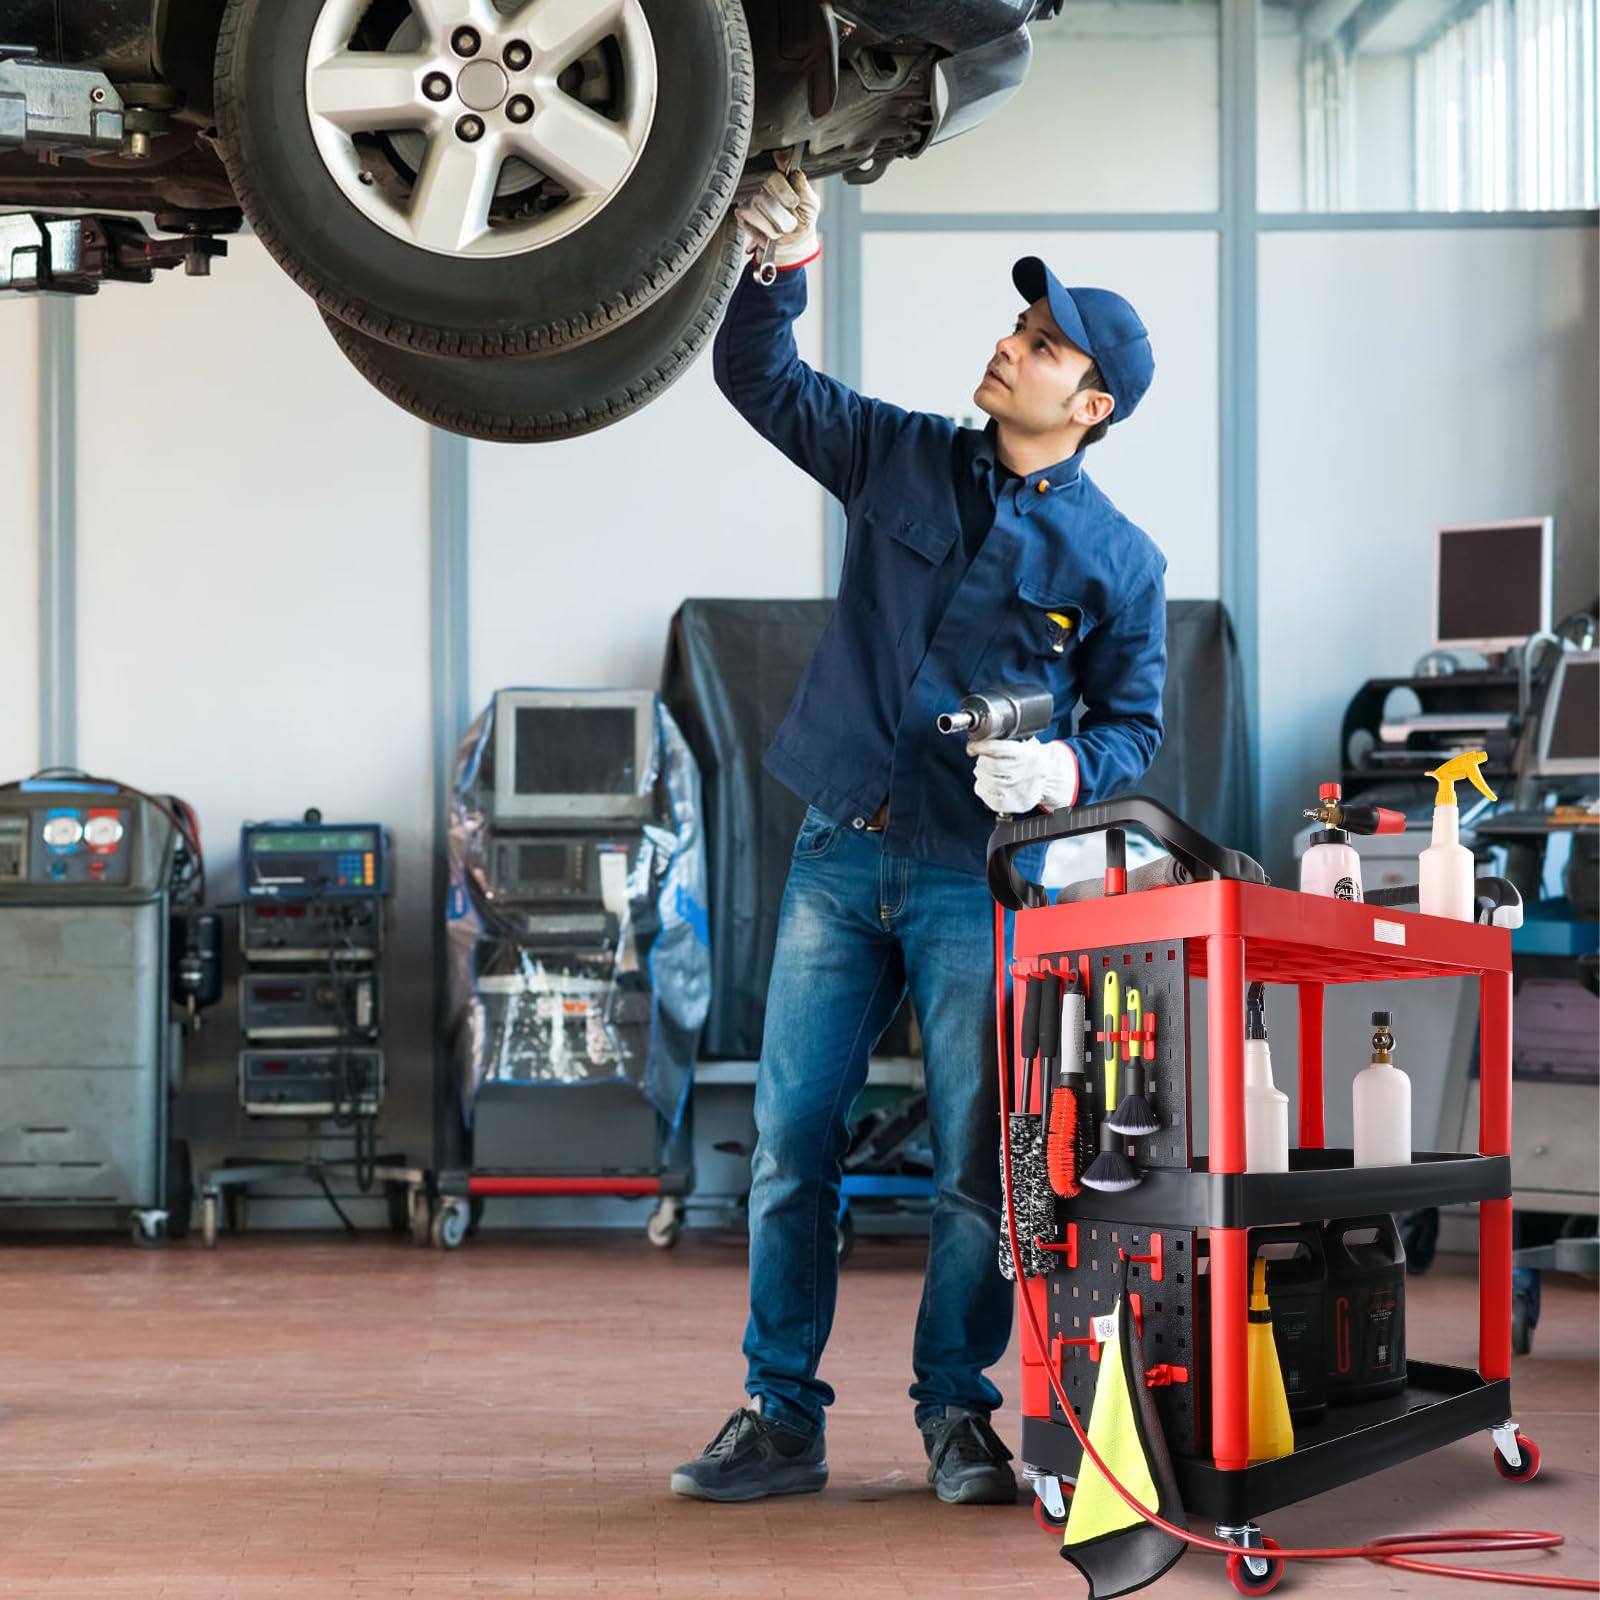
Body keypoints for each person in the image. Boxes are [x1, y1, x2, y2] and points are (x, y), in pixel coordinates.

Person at [670, 167, 1168, 1506]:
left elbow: (1135, 729)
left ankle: (958, 1412)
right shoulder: (896, 454)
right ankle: (781, 1415)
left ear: (1092, 405)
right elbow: (758, 381)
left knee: (972, 1168)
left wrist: (1064, 761)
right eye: (1020, 330)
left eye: (1045, 345)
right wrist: (784, 264)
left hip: (979, 883)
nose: (1011, 346)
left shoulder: (1123, 564)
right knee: (791, 1147)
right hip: (839, 852)